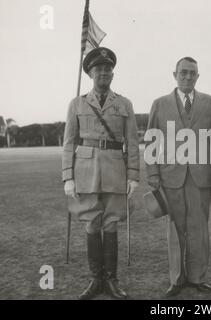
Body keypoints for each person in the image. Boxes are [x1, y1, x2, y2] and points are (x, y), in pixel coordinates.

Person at [62, 47, 140, 300]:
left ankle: (112, 280)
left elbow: (132, 143)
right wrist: (68, 177)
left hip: (116, 168)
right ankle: (96, 280)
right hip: (85, 170)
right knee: (92, 224)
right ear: (90, 73)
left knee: (111, 223)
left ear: (113, 74)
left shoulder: (124, 103)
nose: (103, 73)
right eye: (98, 69)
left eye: (107, 69)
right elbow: (69, 142)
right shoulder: (77, 104)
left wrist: (133, 176)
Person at [145, 57, 211, 297]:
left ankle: (197, 278)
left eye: (192, 73)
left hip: (200, 177)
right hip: (170, 177)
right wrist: (153, 173)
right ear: (174, 74)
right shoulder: (160, 104)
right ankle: (177, 279)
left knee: (199, 228)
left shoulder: (209, 103)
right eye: (183, 72)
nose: (188, 77)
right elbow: (152, 140)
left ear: (198, 76)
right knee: (175, 228)